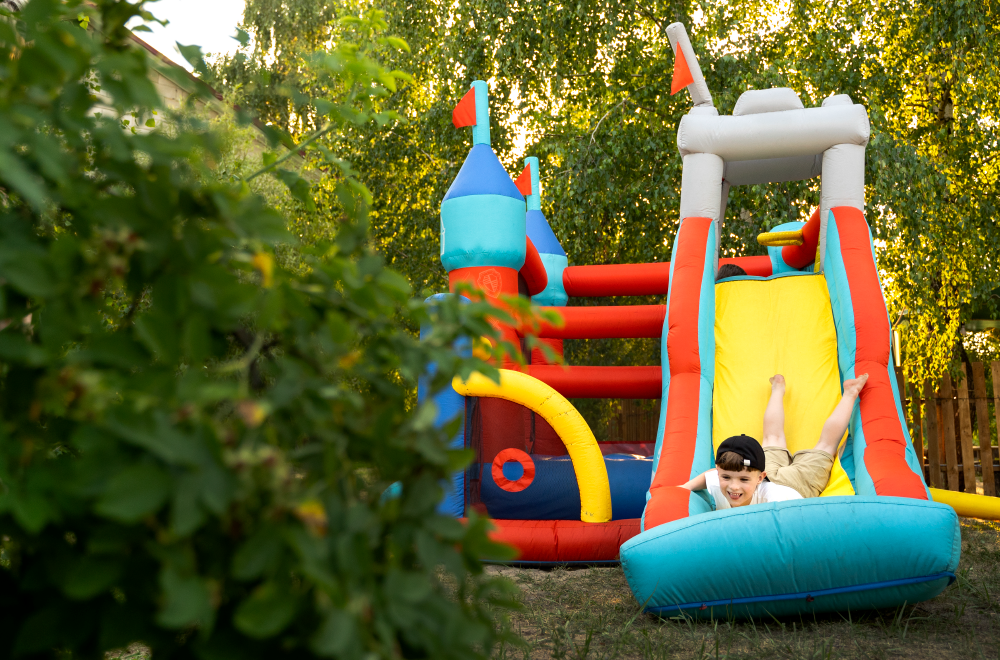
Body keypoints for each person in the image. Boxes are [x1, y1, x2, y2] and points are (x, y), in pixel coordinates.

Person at [680, 373, 869, 508]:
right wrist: (683, 488)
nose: (734, 486)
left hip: (795, 484)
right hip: (766, 471)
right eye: (726, 477)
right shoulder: (729, 477)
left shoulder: (778, 501)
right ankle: (777, 387)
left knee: (826, 445)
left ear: (759, 477)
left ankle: (850, 393)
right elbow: (709, 476)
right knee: (772, 437)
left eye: (743, 479)